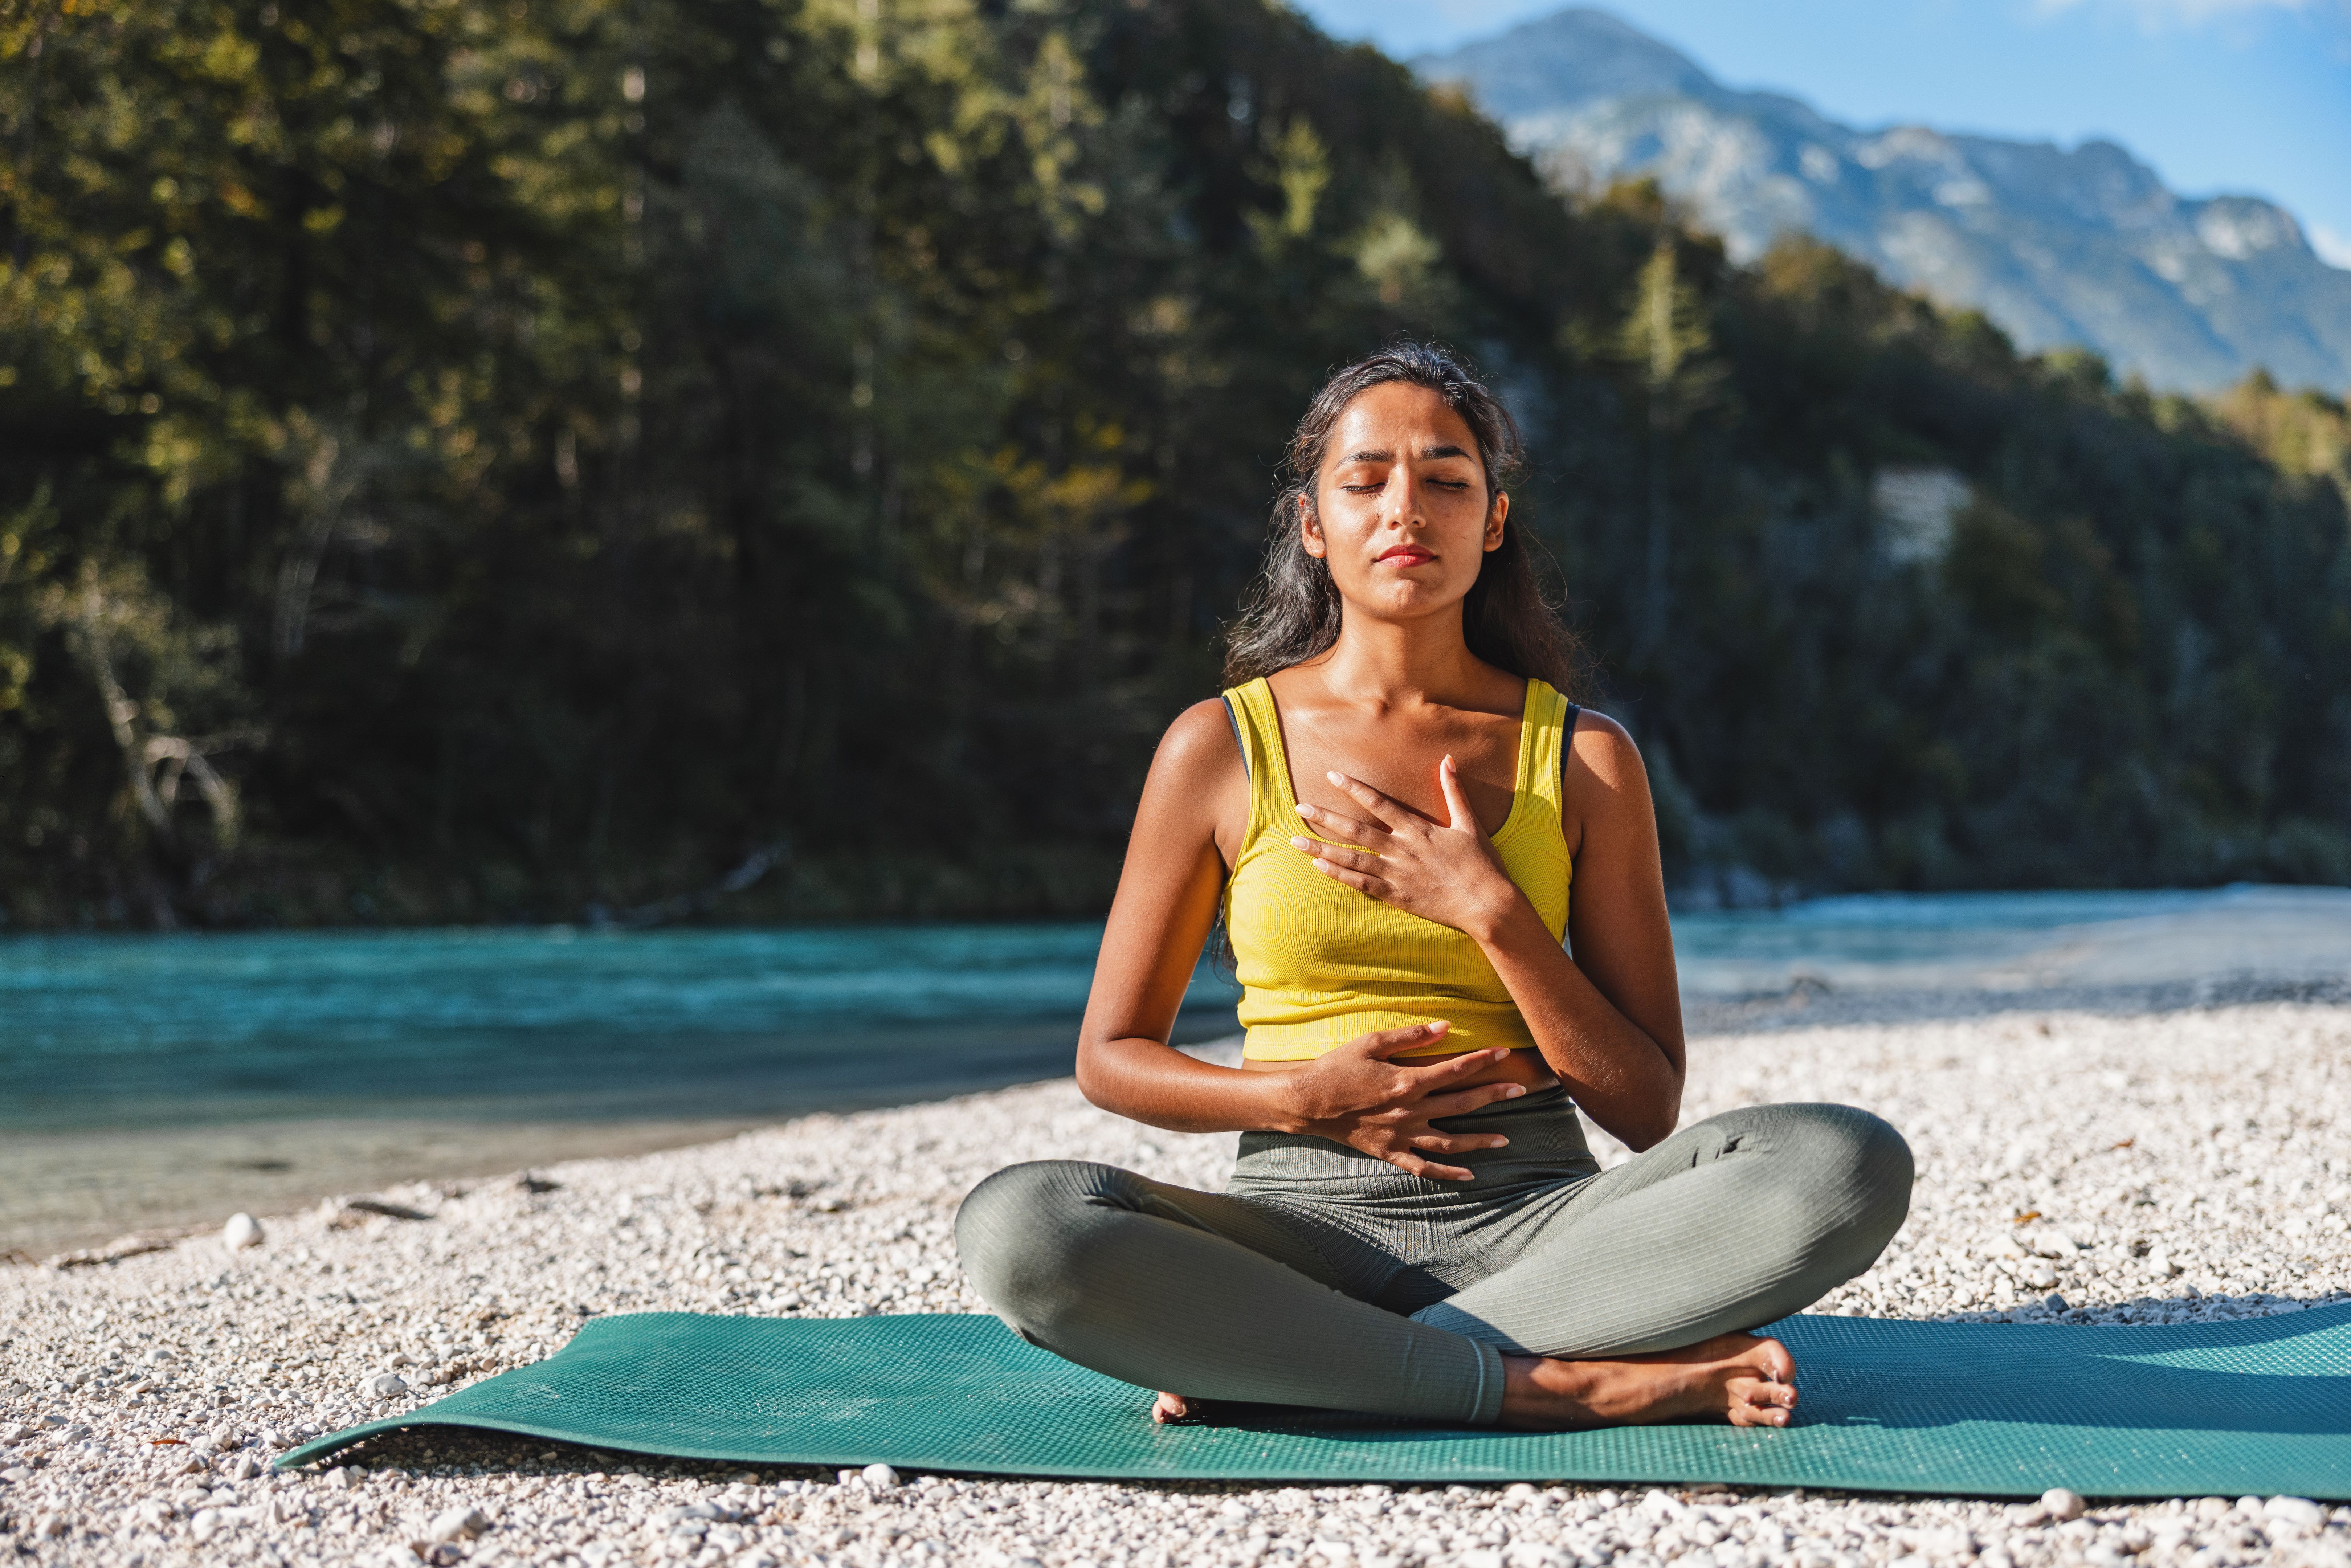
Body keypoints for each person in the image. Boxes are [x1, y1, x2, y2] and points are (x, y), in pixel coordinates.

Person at [955, 343, 1911, 1430]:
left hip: (1546, 1223)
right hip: (1296, 1232)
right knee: (1020, 1224)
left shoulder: (1586, 759)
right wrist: (1295, 1100)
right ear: (1313, 525)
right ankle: (1559, 1383)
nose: (1405, 509)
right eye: (1365, 482)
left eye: (1447, 481)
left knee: (1843, 1161)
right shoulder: (1218, 747)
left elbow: (1646, 1109)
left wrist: (1492, 912)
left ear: (1492, 522)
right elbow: (1111, 1058)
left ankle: (1310, 1364)